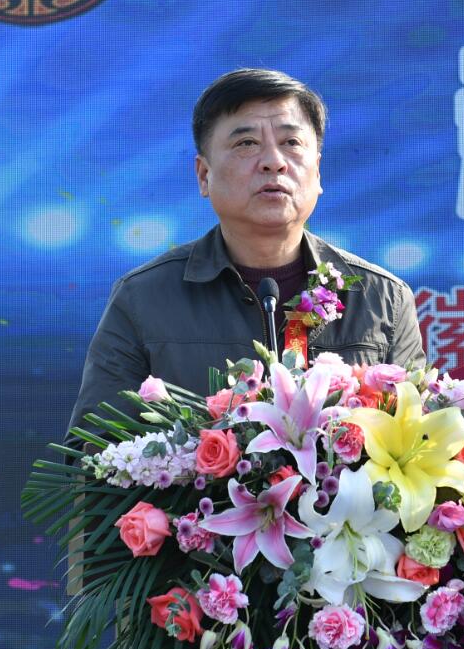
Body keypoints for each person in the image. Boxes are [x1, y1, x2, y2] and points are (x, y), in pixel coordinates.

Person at [64, 68, 425, 451]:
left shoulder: (381, 298)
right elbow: (92, 452)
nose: (274, 162)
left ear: (317, 171)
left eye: (291, 142)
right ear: (204, 175)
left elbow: (420, 440)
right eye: (247, 143)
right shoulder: (144, 298)